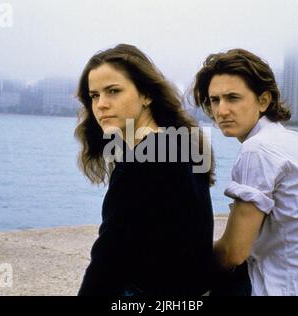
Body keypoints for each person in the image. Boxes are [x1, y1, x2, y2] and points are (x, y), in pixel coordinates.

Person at [192, 48, 298, 296]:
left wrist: (182, 262)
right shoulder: (290, 140)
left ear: (263, 101)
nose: (221, 111)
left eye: (233, 98)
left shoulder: (257, 150)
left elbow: (232, 253)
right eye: (215, 100)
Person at [74, 43, 216, 295]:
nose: (101, 105)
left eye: (113, 91)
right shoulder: (181, 143)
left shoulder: (143, 161)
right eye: (94, 95)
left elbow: (108, 256)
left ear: (147, 95)